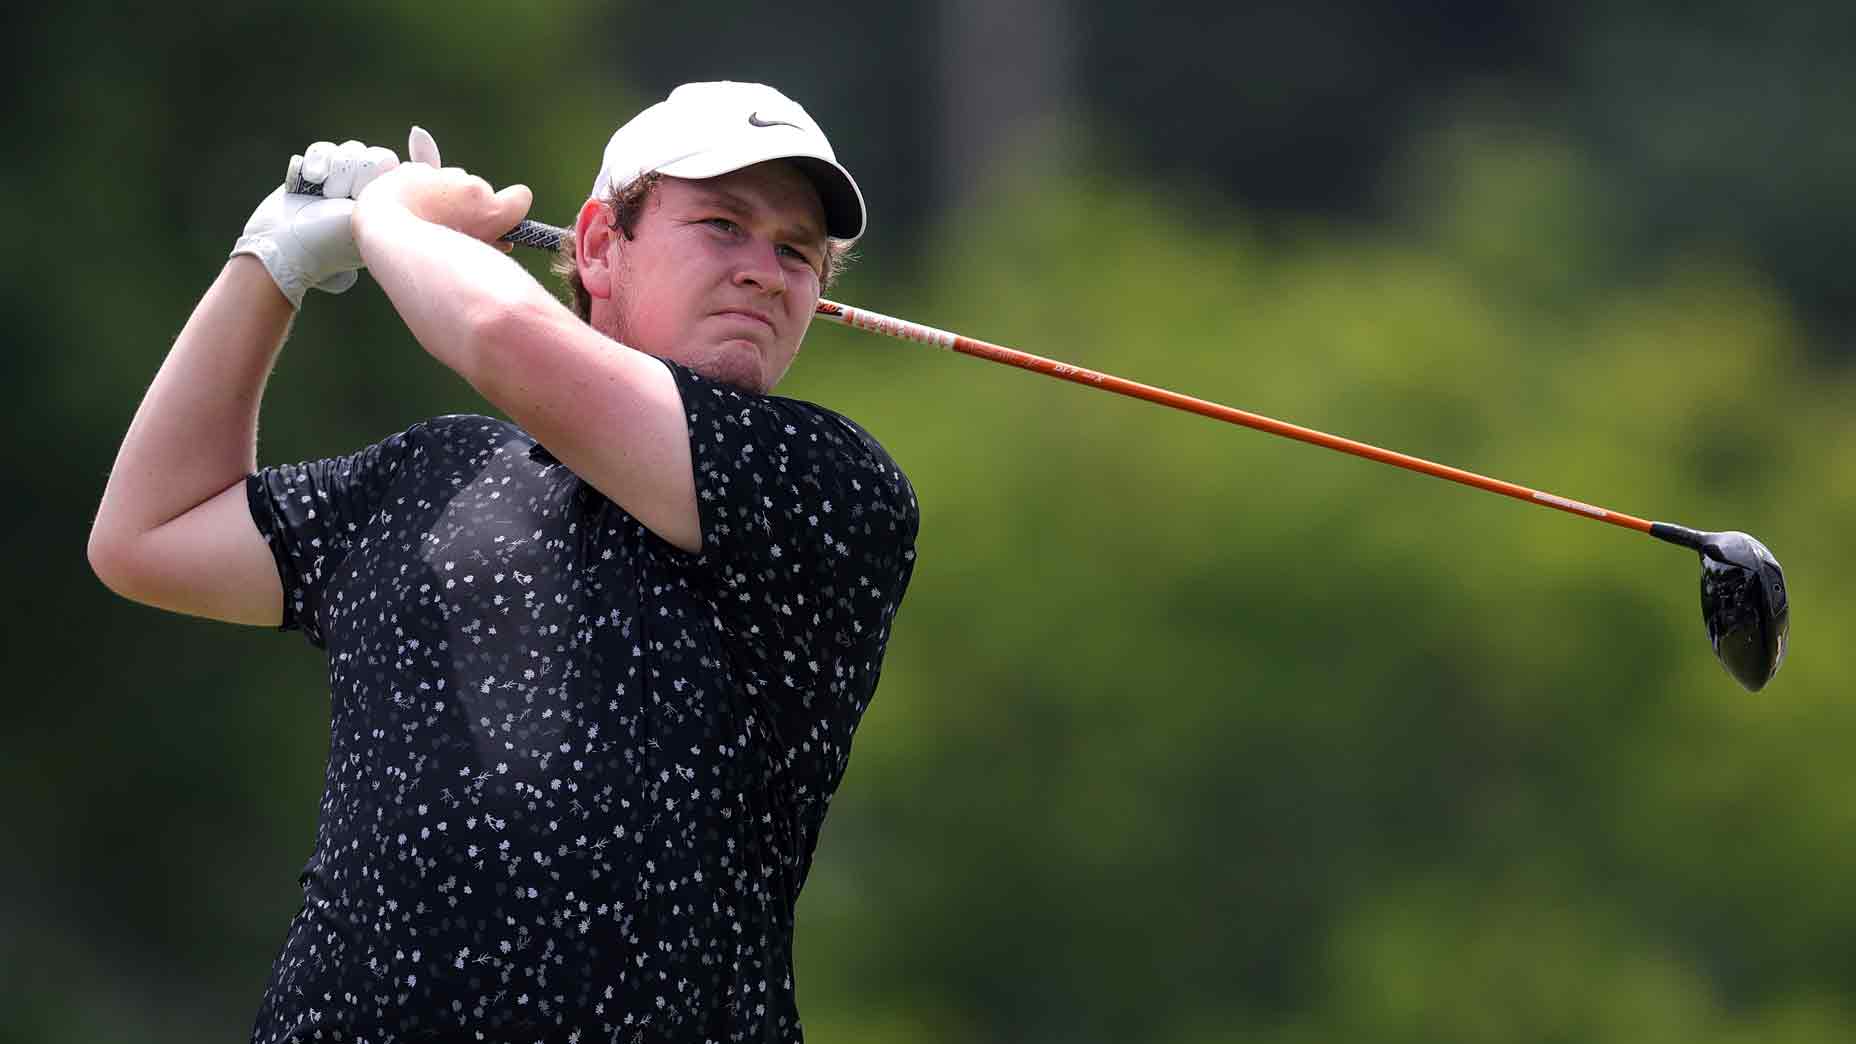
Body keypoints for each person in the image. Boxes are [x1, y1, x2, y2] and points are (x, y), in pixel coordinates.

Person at [88, 82, 919, 1044]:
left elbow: (498, 336)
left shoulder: (830, 486)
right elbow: (149, 533)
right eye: (724, 225)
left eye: (796, 252)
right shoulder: (431, 475)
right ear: (602, 244)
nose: (766, 274)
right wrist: (268, 266)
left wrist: (394, 217)